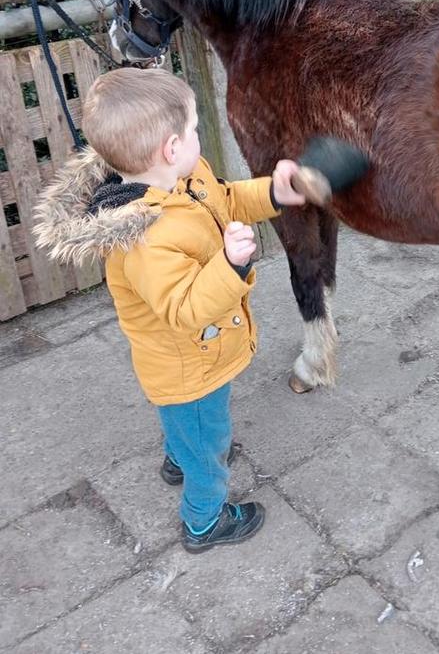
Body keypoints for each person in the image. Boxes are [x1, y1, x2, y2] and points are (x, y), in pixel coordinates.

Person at [33, 68, 306, 553]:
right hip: (189, 364)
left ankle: (178, 457)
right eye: (195, 129)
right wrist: (230, 263)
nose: (199, 136)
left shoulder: (186, 177)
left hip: (188, 359)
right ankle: (204, 520)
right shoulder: (146, 238)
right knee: (209, 438)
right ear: (170, 148)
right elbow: (184, 309)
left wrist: (272, 193)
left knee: (188, 427)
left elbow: (225, 198)